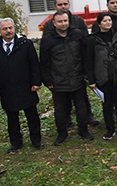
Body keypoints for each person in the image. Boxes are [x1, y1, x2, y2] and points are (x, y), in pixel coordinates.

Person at [0, 18, 43, 154]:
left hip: (26, 86)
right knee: (12, 118)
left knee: (32, 116)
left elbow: (34, 64)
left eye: (10, 28)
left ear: (14, 28)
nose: (8, 31)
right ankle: (16, 143)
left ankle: (36, 141)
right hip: (7, 89)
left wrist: (36, 82)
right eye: (5, 29)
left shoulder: (25, 44)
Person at [41, 11, 94, 145]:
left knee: (81, 107)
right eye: (60, 21)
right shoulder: (48, 39)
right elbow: (44, 62)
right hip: (58, 81)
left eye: (65, 21)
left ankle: (83, 131)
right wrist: (47, 81)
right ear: (54, 23)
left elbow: (85, 56)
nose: (63, 24)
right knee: (60, 110)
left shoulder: (78, 35)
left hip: (77, 78)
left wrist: (87, 74)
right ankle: (62, 134)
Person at [85, 13, 117, 140]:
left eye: (109, 20)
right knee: (107, 104)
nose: (108, 22)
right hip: (102, 76)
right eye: (105, 21)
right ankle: (110, 129)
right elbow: (89, 60)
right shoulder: (92, 40)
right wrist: (91, 79)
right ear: (99, 23)